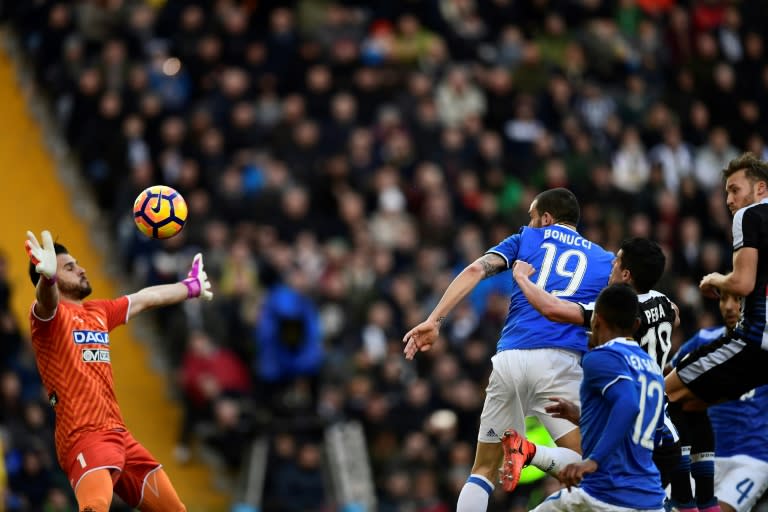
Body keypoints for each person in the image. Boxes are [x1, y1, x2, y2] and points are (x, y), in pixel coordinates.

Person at [403, 188, 614, 511]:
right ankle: (531, 452)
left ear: (546, 218)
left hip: (509, 359)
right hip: (561, 361)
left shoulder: (527, 238)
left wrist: (434, 320)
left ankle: (527, 452)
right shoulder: (604, 260)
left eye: (531, 216)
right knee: (590, 463)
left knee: (483, 470)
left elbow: (476, 270)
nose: (528, 222)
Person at [24, 230, 212, 512]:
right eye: (70, 267)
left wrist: (190, 287)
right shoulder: (48, 320)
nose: (81, 269)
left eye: (78, 264)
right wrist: (48, 280)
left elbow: (144, 298)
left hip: (120, 437)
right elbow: (46, 301)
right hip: (82, 436)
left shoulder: (98, 312)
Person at [507, 238, 697, 510]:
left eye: (617, 261)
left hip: (640, 432)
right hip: (663, 426)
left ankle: (532, 452)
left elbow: (552, 309)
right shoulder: (665, 304)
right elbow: (675, 317)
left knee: (599, 470)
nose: (612, 265)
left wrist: (522, 278)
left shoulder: (610, 329)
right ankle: (532, 452)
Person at [665, 153, 768, 510]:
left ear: (760, 188)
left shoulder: (749, 216)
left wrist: (715, 280)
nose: (729, 200)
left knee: (664, 397)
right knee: (694, 402)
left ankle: (683, 498)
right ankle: (703, 500)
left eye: (734, 190)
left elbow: (743, 281)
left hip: (755, 339)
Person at [527, 284, 667, 511]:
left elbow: (628, 405)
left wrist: (594, 461)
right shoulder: (652, 368)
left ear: (596, 320)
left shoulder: (601, 357)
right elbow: (648, 431)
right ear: (637, 325)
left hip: (606, 496)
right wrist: (582, 417)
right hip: (650, 499)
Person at [670, 291, 768, 512]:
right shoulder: (703, 340)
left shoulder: (764, 349)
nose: (731, 307)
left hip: (752, 458)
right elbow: (666, 379)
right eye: (725, 299)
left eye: (739, 301)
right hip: (703, 455)